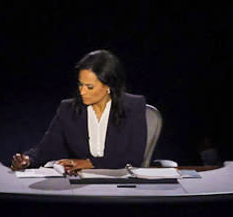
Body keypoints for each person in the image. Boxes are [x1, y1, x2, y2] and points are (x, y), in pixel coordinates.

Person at [10, 50, 153, 171]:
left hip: (120, 187)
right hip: (82, 186)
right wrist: (27, 159)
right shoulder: (68, 109)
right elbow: (46, 148)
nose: (82, 92)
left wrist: (90, 163)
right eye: (80, 85)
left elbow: (134, 157)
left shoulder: (134, 106)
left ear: (109, 86)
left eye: (89, 87)